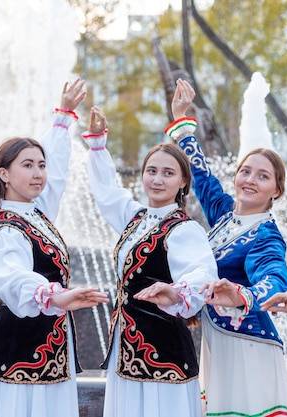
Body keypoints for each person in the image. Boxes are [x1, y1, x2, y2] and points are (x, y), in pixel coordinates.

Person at [0, 79, 109, 417]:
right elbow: (9, 277)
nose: (38, 173)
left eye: (40, 165)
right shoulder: (8, 228)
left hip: (51, 350)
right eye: (27, 165)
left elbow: (57, 170)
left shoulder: (37, 215)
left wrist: (63, 118)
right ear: (4, 173)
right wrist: (53, 296)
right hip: (18, 353)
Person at [168, 78, 287, 417]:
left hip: (248, 346)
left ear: (276, 191)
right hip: (220, 342)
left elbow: (276, 279)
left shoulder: (265, 235)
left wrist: (242, 295)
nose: (250, 180)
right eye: (245, 171)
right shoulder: (226, 216)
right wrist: (182, 122)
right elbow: (203, 176)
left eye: (263, 176)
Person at [83, 105, 218, 417]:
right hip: (125, 348)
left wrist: (178, 292)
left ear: (184, 182)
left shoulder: (184, 229)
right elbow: (106, 193)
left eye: (168, 173)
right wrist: (99, 144)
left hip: (163, 353)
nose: (157, 180)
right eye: (152, 171)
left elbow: (204, 272)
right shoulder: (136, 218)